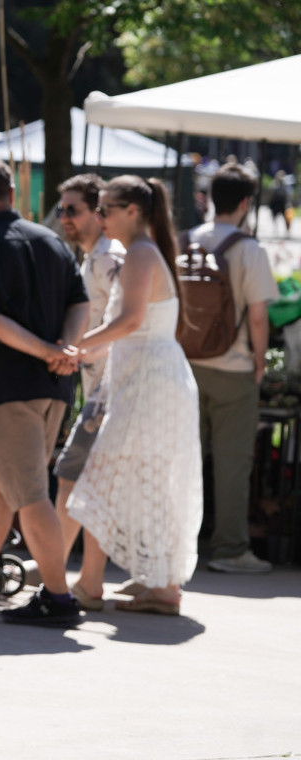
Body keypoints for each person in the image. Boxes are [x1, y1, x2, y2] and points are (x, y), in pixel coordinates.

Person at [0, 158, 89, 626]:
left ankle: (59, 598)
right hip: (55, 386)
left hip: (9, 387)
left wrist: (48, 350)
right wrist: (63, 349)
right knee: (0, 489)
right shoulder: (51, 239)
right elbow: (80, 302)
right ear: (13, 193)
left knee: (28, 492)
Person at [67, 176, 202, 614]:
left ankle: (95, 584)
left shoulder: (141, 253)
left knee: (100, 475)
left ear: (132, 211)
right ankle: (159, 584)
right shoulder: (142, 252)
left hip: (150, 383)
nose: (100, 217)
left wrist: (77, 346)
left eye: (106, 209)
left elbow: (129, 321)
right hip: (147, 381)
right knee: (137, 479)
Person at [186, 163, 280, 574]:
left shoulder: (188, 239)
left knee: (184, 460)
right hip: (234, 367)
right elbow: (258, 317)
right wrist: (259, 363)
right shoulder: (249, 249)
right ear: (245, 202)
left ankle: (176, 547)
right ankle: (229, 550)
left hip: (187, 365)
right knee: (231, 463)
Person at [48, 174, 126, 610]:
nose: (65, 218)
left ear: (99, 213)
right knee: (88, 480)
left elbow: (131, 321)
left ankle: (64, 572)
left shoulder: (108, 257)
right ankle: (76, 575)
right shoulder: (94, 257)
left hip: (111, 390)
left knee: (72, 474)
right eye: (62, 210)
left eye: (72, 209)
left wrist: (75, 351)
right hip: (101, 388)